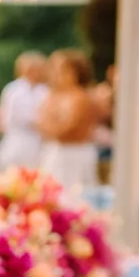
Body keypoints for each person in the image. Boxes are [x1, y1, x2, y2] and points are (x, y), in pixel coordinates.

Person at [38, 49, 98, 191]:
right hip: (56, 152)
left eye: (63, 70)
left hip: (74, 154)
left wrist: (51, 125)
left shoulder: (80, 97)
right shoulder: (53, 95)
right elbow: (41, 123)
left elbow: (66, 129)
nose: (57, 75)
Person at [0, 52, 48, 169]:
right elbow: (5, 117)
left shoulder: (45, 90)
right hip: (16, 140)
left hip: (39, 142)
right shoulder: (13, 89)